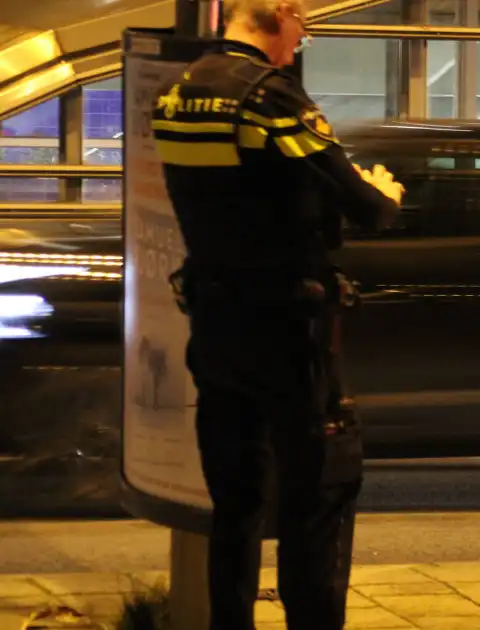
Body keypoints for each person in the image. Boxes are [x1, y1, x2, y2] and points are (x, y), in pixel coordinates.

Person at [148, 0, 404, 628]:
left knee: (234, 502)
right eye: (303, 27)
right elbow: (364, 205)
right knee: (312, 494)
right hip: (286, 330)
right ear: (280, 16)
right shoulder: (270, 97)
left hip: (214, 325)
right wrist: (386, 193)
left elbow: (239, 192)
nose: (302, 41)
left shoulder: (178, 94)